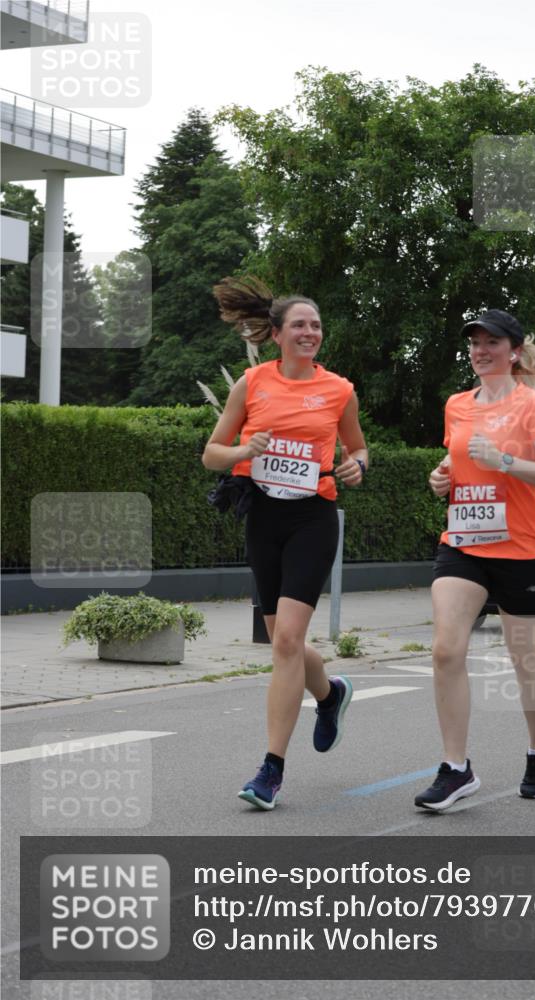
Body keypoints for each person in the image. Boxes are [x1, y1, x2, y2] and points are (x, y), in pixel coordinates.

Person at [202, 276, 368, 810]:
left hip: (312, 519)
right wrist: (244, 449)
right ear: (276, 334)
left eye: (316, 325)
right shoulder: (252, 384)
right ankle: (330, 693)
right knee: (284, 644)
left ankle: (270, 771)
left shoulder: (339, 389)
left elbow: (359, 449)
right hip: (264, 517)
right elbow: (212, 453)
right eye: (299, 324)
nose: (309, 332)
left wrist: (357, 466)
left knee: (288, 641)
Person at [415, 309, 535, 812]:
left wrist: (504, 461)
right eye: (475, 343)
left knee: (524, 656)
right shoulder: (457, 405)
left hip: (522, 549)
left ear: (514, 351)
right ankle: (455, 768)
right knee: (446, 649)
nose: (481, 351)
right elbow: (456, 459)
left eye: (492, 343)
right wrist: (441, 476)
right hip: (463, 544)